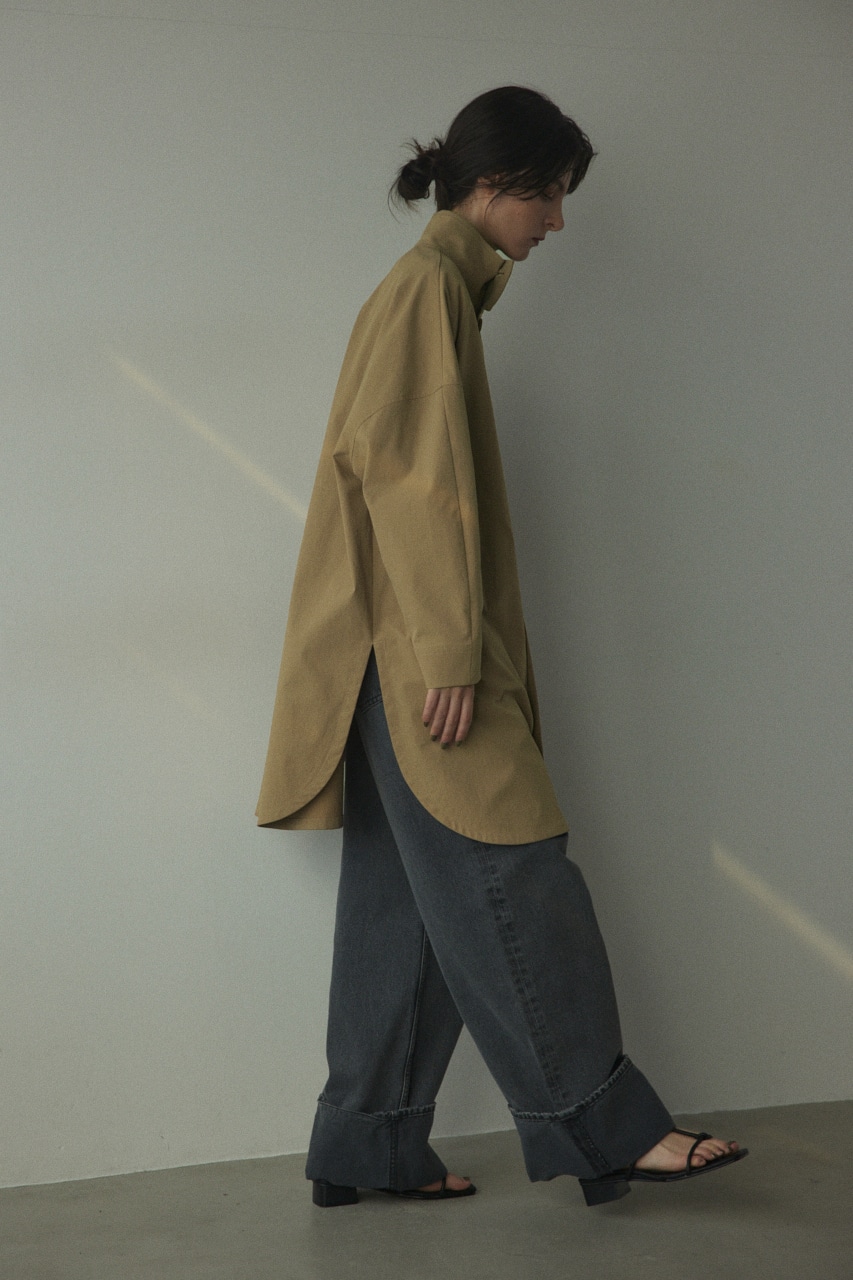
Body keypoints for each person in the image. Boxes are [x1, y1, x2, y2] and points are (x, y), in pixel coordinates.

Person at [256, 85, 747, 1208]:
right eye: (550, 195)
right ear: (492, 185)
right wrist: (449, 653)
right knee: (516, 870)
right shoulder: (427, 291)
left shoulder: (432, 291)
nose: (557, 222)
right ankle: (607, 1126)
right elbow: (409, 482)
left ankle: (369, 1141)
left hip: (384, 656)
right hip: (415, 658)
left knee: (405, 904)